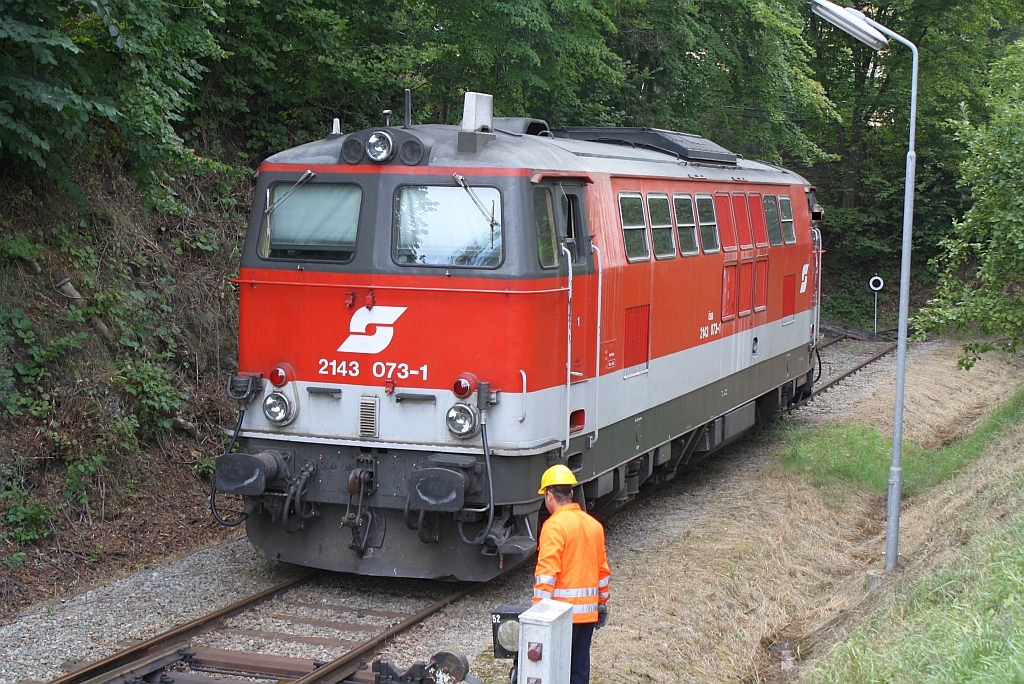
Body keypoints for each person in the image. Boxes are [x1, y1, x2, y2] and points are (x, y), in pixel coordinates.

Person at [533, 464, 611, 684]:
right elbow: (603, 572)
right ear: (572, 494)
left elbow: (547, 574)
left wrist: (539, 612)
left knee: (555, 671)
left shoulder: (554, 526)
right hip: (587, 615)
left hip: (560, 616)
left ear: (549, 496)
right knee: (578, 670)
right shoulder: (593, 525)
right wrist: (601, 603)